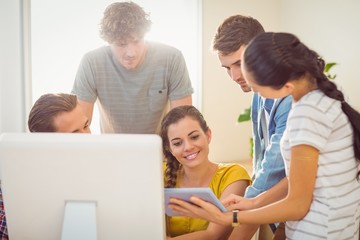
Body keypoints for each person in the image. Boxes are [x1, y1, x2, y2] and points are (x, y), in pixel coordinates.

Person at [168, 32, 360, 240]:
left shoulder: (306, 114)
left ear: (284, 85)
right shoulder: (319, 97)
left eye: (260, 90)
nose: (260, 97)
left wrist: (229, 219)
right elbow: (300, 176)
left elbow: (297, 205)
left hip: (319, 232)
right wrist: (253, 203)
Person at [212, 15, 292, 239]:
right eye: (227, 68)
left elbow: (273, 170)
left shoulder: (291, 98)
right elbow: (262, 155)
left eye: (239, 63)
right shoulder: (258, 93)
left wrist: (247, 202)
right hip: (278, 199)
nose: (235, 76)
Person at [71, 1, 193, 134]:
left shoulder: (172, 58)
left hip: (160, 151)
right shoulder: (92, 62)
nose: (131, 53)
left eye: (137, 41)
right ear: (109, 41)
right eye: (121, 44)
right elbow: (79, 127)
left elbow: (183, 123)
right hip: (112, 150)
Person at [0, 93, 91, 239]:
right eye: (75, 133)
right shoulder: (14, 191)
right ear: (44, 144)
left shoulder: (98, 174)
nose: (87, 137)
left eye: (86, 126)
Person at [160, 105, 251, 239]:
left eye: (194, 137)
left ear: (208, 135)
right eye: (178, 143)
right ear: (170, 149)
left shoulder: (233, 176)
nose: (188, 147)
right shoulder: (159, 174)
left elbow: (214, 235)